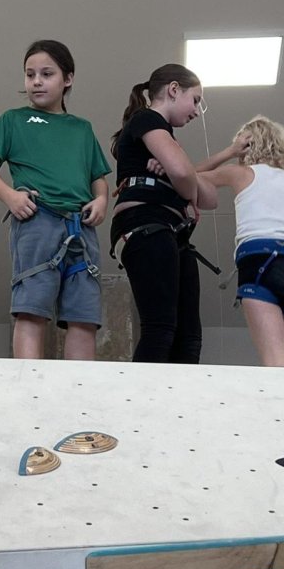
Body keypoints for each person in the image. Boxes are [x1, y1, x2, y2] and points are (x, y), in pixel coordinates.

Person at [0, 40, 111, 360]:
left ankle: (79, 386)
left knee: (84, 315)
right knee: (31, 308)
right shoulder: (13, 119)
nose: (36, 81)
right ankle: (28, 382)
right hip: (38, 219)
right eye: (30, 74)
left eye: (47, 74)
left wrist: (101, 200)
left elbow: (98, 177)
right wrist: (10, 196)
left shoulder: (82, 129)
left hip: (81, 226)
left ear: (68, 79)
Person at [108, 64, 219, 364]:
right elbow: (184, 175)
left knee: (189, 336)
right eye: (195, 100)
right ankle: (144, 393)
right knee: (160, 328)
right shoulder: (146, 119)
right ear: (173, 89)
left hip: (173, 233)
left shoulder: (167, 140)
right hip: (145, 224)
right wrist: (179, 173)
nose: (196, 111)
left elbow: (210, 198)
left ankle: (180, 393)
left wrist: (176, 170)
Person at [198, 116, 284, 367]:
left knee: (276, 361)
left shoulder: (240, 174)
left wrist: (230, 152)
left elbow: (187, 174)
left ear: (246, 145)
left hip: (259, 258)